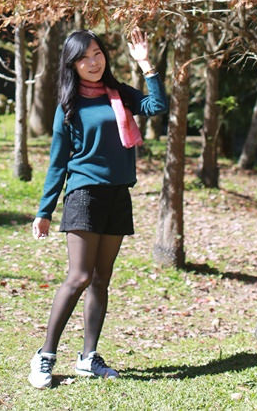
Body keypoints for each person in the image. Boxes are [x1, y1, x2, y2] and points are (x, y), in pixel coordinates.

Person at [28, 27, 167, 389]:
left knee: (101, 279)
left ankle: (88, 358)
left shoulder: (119, 94)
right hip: (84, 194)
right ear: (72, 65)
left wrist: (146, 64)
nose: (93, 62)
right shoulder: (69, 106)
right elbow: (58, 162)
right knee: (79, 277)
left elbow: (156, 106)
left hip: (118, 194)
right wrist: (45, 211)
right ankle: (45, 355)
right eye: (84, 58)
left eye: (97, 54)